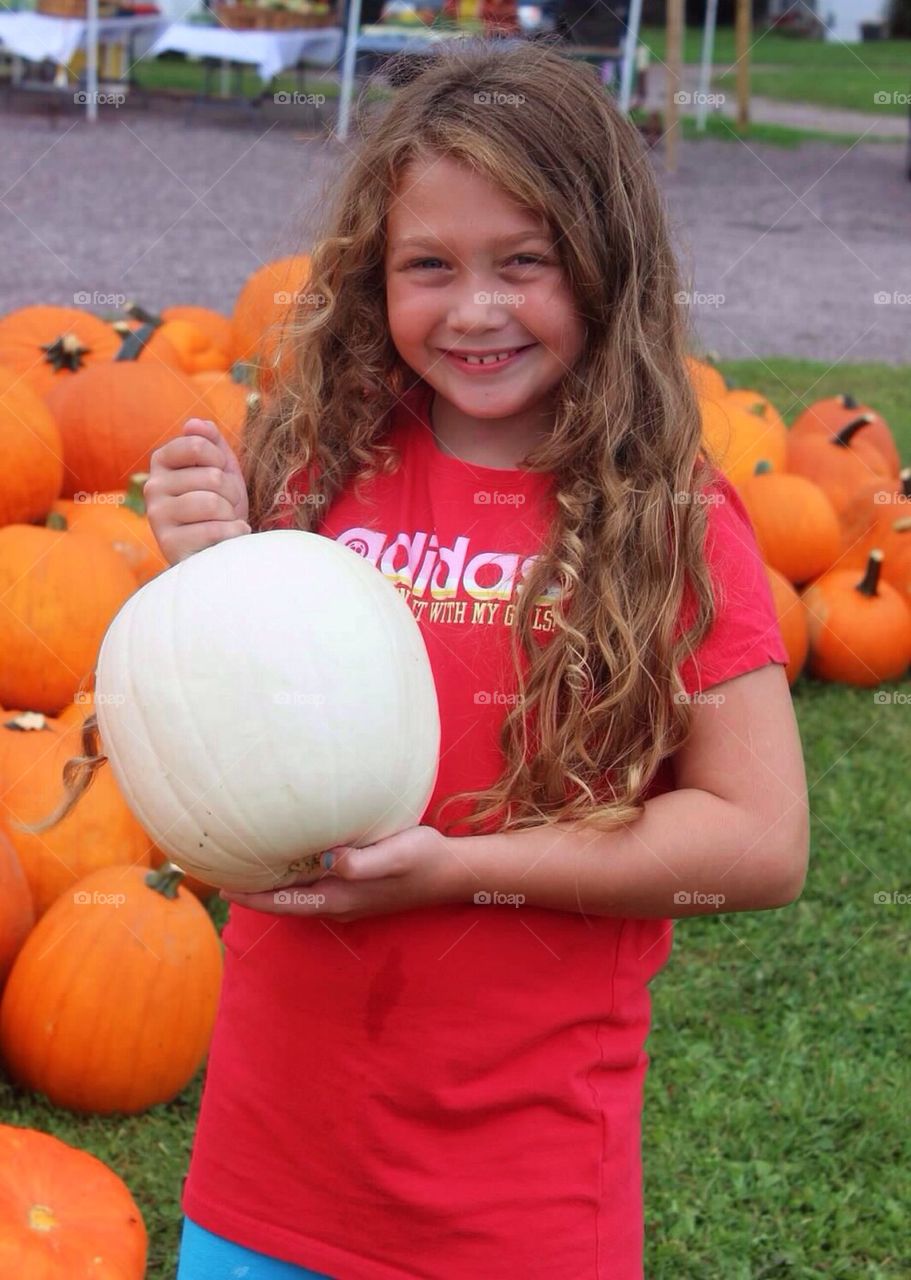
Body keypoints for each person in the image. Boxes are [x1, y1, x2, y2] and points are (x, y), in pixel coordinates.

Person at [144, 39, 809, 1280]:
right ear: (370, 276)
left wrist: (462, 871)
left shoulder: (668, 516)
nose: (474, 308)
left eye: (525, 262)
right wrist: (210, 558)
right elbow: (222, 719)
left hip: (516, 1204)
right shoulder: (314, 469)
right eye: (428, 266)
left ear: (605, 266)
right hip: (265, 1178)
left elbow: (759, 842)